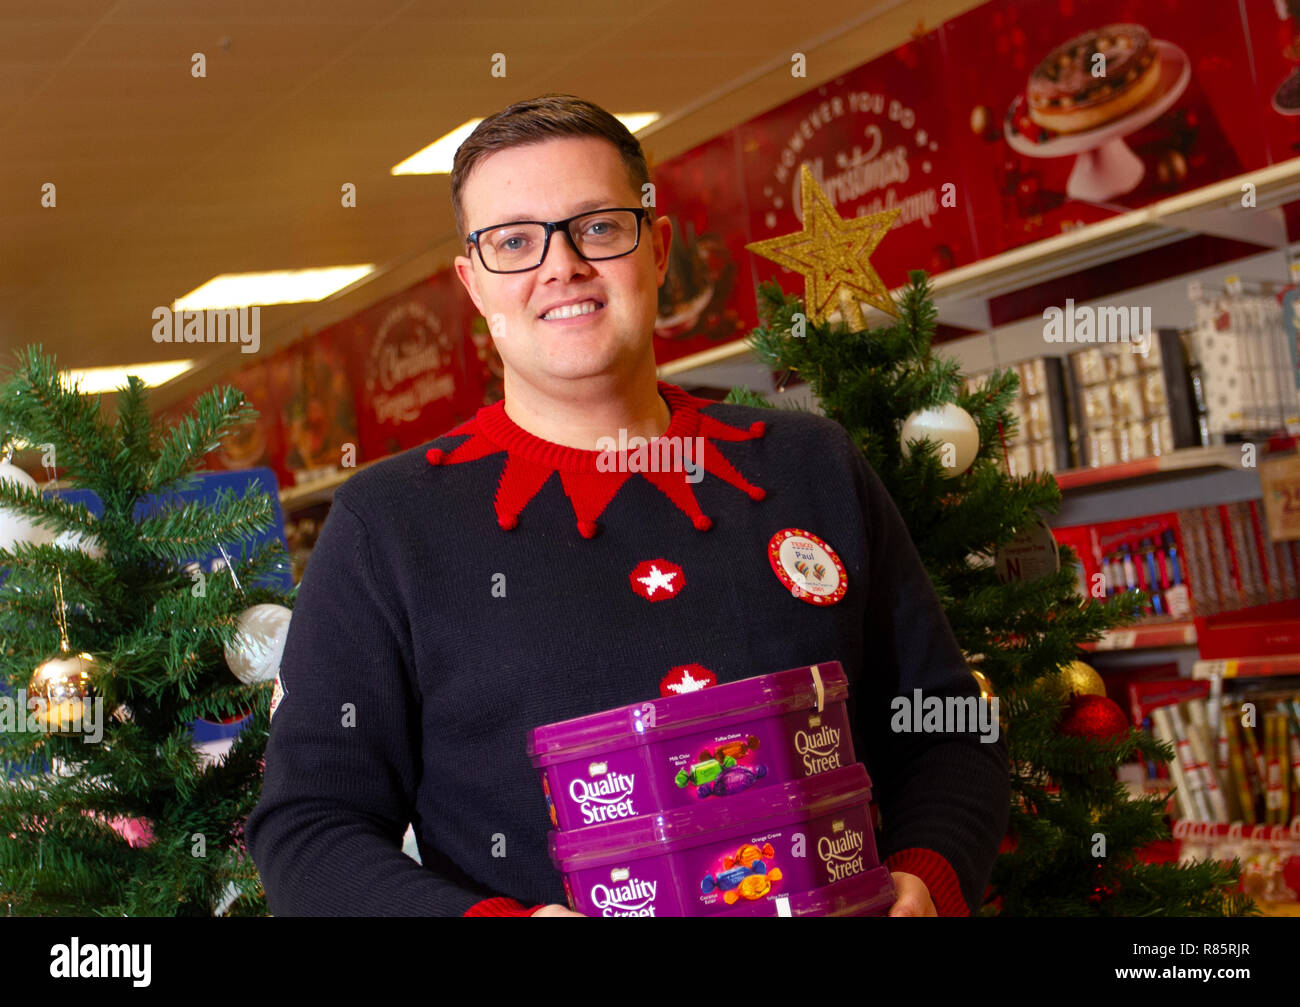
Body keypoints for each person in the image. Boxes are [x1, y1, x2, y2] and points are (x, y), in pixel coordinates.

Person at [246, 93, 1010, 917]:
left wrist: (929, 878)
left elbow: (948, 725)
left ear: (658, 248)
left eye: (599, 227)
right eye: (513, 241)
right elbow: (308, 829)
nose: (562, 265)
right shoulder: (386, 526)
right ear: (472, 286)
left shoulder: (811, 465)